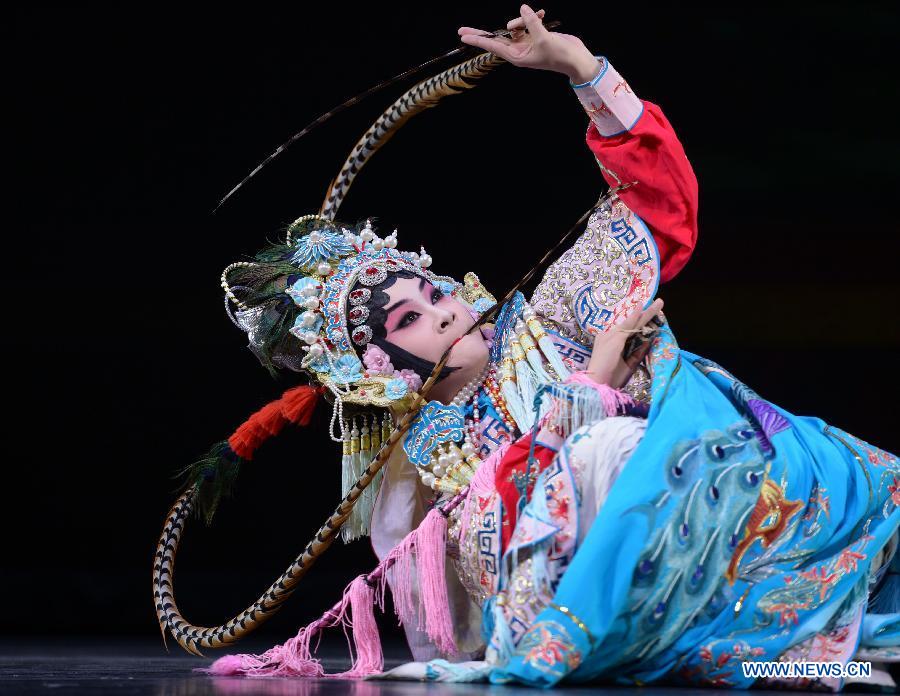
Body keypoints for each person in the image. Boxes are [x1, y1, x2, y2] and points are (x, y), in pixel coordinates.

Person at [153, 5, 899, 691]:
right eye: (410, 320)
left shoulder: (553, 318)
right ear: (380, 375)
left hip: (732, 503)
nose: (443, 309)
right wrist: (597, 385)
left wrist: (581, 69)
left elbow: (657, 207)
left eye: (431, 289)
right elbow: (500, 571)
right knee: (600, 448)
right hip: (636, 598)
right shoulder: (436, 470)